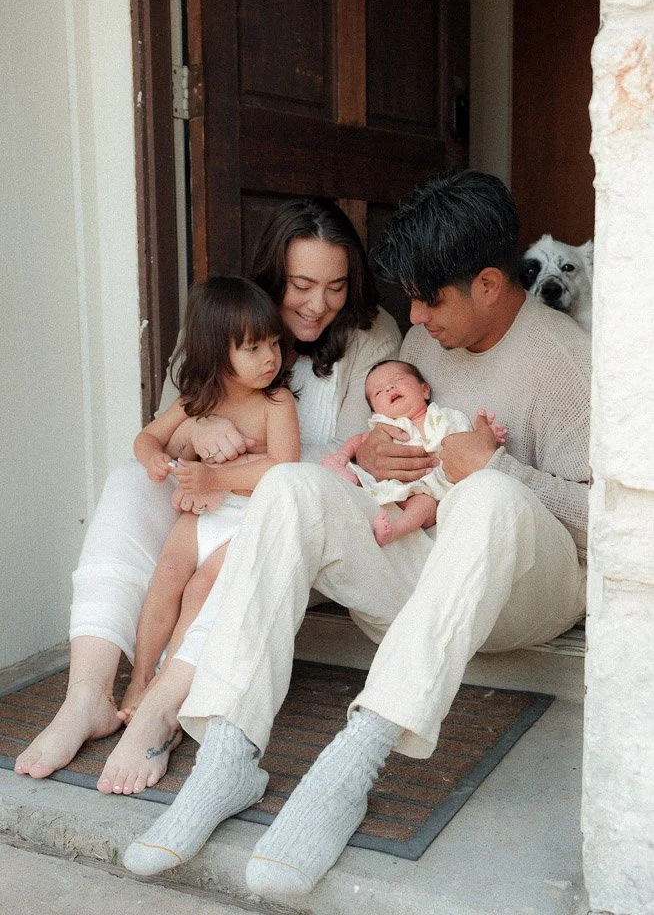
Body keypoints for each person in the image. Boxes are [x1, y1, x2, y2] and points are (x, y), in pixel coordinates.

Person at [120, 171, 590, 899]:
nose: (415, 315)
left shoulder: (565, 365)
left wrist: (500, 468)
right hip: (423, 565)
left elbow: (616, 523)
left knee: (490, 495)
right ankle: (229, 750)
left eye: (430, 299)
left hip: (532, 591)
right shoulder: (429, 343)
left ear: (491, 284)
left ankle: (353, 764)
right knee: (289, 484)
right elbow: (388, 441)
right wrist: (370, 456)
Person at [13, 197, 401, 793]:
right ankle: (87, 694)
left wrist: (230, 469)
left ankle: (164, 708)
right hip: (209, 501)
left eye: (336, 286)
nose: (318, 305)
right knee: (125, 481)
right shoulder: (224, 319)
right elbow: (171, 426)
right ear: (272, 278)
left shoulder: (371, 336)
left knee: (257, 531)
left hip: (297, 525)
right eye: (301, 285)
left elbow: (345, 461)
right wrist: (197, 431)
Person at [119, 276, 300, 721]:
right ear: (218, 350)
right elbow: (146, 439)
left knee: (200, 589)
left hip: (246, 518)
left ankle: (167, 690)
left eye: (274, 344)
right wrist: (155, 462)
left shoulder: (276, 402)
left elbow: (282, 467)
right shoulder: (196, 400)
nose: (270, 358)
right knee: (167, 578)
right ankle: (141, 679)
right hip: (202, 513)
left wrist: (213, 477)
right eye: (253, 348)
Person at [320, 359, 506, 545]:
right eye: (378, 392)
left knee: (426, 506)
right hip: (395, 485)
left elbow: (467, 442)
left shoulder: (444, 417)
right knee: (367, 479)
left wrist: (487, 435)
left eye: (398, 380)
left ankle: (392, 530)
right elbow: (359, 440)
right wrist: (342, 455)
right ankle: (352, 483)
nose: (389, 388)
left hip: (431, 490)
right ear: (376, 413)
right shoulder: (386, 427)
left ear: (424, 390)